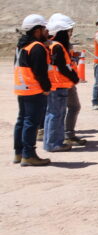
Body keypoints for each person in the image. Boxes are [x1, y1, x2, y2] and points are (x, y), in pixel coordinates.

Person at [14, 14, 53, 166]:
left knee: (22, 121)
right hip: (34, 89)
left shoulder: (22, 45)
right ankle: (29, 155)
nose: (46, 31)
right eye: (44, 28)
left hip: (22, 87)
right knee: (31, 122)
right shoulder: (37, 48)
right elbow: (40, 72)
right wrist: (46, 88)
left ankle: (19, 153)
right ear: (37, 30)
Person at [43, 14, 81, 154]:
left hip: (56, 84)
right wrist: (74, 77)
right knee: (56, 115)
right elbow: (62, 67)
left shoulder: (52, 44)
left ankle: (51, 142)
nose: (70, 33)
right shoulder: (57, 46)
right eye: (69, 31)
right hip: (59, 84)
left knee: (52, 114)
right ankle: (54, 143)